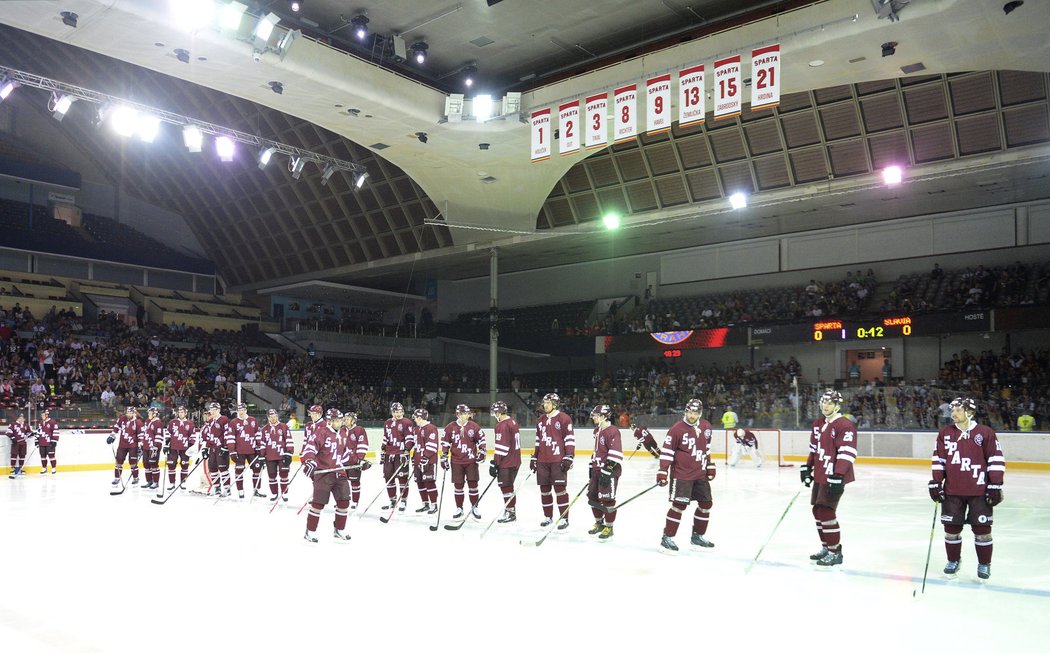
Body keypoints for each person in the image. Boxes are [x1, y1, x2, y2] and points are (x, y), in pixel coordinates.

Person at [929, 397, 1005, 580]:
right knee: (951, 529)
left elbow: (996, 459)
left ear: (969, 412)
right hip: (952, 491)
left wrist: (995, 484)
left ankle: (984, 564)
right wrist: (936, 482)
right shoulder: (945, 433)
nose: (953, 414)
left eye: (957, 410)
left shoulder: (985, 433)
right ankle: (953, 560)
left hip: (979, 491)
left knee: (982, 530)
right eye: (952, 410)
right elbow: (938, 460)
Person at [800, 389, 857, 567]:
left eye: (829, 403)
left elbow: (847, 453)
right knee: (817, 511)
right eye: (823, 402)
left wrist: (838, 475)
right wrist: (807, 467)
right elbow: (814, 450)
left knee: (826, 511)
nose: (825, 406)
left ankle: (835, 551)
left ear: (837, 405)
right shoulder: (818, 424)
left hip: (833, 475)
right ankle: (826, 547)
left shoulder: (844, 425)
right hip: (820, 474)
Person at [656, 398, 716, 552]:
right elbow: (667, 451)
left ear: (700, 413)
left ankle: (697, 537)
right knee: (679, 506)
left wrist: (709, 465)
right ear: (685, 411)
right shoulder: (677, 429)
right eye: (689, 412)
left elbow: (706, 449)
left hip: (700, 474)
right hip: (682, 475)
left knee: (706, 504)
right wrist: (663, 471)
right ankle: (667, 538)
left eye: (695, 413)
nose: (691, 415)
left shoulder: (706, 427)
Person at [302, 408, 352, 542]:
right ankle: (310, 531)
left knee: (344, 501)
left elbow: (346, 454)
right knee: (318, 503)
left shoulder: (343, 433)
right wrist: (310, 461)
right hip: (324, 473)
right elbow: (310, 448)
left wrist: (359, 462)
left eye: (340, 420)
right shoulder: (321, 432)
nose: (339, 423)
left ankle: (339, 529)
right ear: (329, 421)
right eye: (336, 420)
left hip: (339, 472)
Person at [531, 392, 575, 529]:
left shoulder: (564, 418)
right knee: (544, 490)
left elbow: (569, 439)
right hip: (543, 461)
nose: (545, 405)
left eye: (548, 403)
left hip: (558, 460)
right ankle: (548, 517)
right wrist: (534, 457)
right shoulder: (540, 421)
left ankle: (564, 518)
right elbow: (538, 440)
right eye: (544, 403)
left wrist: (569, 456)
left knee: (560, 490)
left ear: (555, 404)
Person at [441, 404, 486, 519]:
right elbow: (445, 442)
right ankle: (459, 508)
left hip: (471, 460)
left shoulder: (474, 427)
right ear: (457, 414)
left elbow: (481, 440)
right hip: (456, 461)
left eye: (466, 413)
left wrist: (482, 451)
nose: (465, 415)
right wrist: (444, 455)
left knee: (473, 484)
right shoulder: (450, 427)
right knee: (458, 485)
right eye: (463, 413)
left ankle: (474, 507)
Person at [586, 405, 623, 541]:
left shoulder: (613, 431)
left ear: (603, 416)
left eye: (596, 415)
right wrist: (592, 467)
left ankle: (609, 527)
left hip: (609, 471)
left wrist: (607, 471)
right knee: (592, 497)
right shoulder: (598, 431)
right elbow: (597, 451)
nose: (594, 418)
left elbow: (615, 453)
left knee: (607, 499)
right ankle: (599, 523)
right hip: (597, 469)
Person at [489, 401, 522, 524]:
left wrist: (495, 463)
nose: (494, 415)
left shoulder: (502, 425)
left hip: (507, 462)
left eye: (495, 412)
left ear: (499, 412)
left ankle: (510, 512)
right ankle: (510, 510)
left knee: (506, 488)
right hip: (515, 460)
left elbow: (502, 447)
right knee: (509, 487)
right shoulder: (512, 422)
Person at [381, 402, 414, 512]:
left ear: (403, 411)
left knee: (402, 478)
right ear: (392, 412)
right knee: (388, 478)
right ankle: (392, 500)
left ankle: (403, 500)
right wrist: (383, 449)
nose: (398, 414)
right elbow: (385, 437)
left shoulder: (407, 422)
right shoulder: (387, 423)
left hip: (401, 454)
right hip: (389, 454)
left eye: (400, 411)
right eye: (396, 411)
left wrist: (406, 451)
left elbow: (410, 438)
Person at [226, 403, 263, 499]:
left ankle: (256, 490)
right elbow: (230, 437)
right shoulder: (233, 422)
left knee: (257, 470)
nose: (241, 412)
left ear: (246, 410)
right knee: (239, 471)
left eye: (243, 410)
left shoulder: (253, 420)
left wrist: (259, 447)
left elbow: (258, 434)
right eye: (239, 410)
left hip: (252, 451)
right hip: (239, 452)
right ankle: (240, 491)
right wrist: (232, 451)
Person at [260, 408, 293, 502]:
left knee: (284, 475)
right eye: (271, 417)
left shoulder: (283, 426)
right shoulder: (264, 429)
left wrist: (289, 453)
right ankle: (274, 493)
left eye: (274, 416)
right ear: (268, 417)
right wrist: (262, 456)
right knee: (272, 475)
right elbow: (262, 443)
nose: (273, 418)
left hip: (282, 455)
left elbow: (289, 440)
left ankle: (284, 493)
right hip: (270, 456)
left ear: (277, 416)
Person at [411, 408, 440, 514]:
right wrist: (414, 457)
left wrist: (426, 457)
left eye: (415, 418)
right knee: (420, 483)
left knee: (429, 483)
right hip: (418, 460)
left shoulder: (431, 428)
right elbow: (415, 445)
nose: (414, 420)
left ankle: (434, 505)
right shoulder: (416, 429)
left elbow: (432, 445)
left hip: (429, 462)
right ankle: (425, 504)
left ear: (419, 417)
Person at [106, 406, 144, 486]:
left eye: (130, 413)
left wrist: (140, 446)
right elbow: (116, 427)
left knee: (133, 463)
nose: (128, 414)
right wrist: (112, 436)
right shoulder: (123, 418)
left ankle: (135, 478)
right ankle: (117, 478)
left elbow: (141, 435)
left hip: (133, 446)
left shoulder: (138, 422)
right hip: (122, 445)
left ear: (134, 413)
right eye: (127, 412)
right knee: (118, 461)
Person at [199, 402, 231, 496]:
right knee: (212, 468)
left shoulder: (224, 419)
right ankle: (217, 487)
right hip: (212, 448)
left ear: (218, 410)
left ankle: (227, 488)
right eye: (211, 410)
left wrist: (225, 447)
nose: (211, 412)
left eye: (213, 410)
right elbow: (207, 436)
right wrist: (205, 448)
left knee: (223, 468)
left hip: (221, 448)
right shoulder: (210, 421)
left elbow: (227, 433)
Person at [340, 411, 371, 509]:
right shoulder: (341, 430)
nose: (345, 420)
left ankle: (355, 501)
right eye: (344, 419)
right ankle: (343, 500)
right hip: (342, 461)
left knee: (354, 482)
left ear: (353, 420)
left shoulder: (359, 430)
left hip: (354, 461)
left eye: (348, 419)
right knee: (341, 482)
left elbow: (363, 444)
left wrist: (360, 459)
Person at [164, 404, 196, 490]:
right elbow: (168, 434)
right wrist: (166, 445)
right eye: (179, 412)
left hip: (185, 448)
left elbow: (193, 436)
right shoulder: (172, 422)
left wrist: (190, 446)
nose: (180, 413)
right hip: (173, 447)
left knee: (184, 465)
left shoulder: (190, 423)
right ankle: (172, 483)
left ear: (185, 413)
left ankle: (183, 482)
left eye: (182, 412)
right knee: (171, 465)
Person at [140, 406, 164, 490]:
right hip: (146, 446)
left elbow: (159, 436)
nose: (148, 414)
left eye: (150, 413)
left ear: (155, 414)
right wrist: (142, 444)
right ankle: (149, 481)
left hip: (154, 447)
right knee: (146, 463)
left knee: (153, 464)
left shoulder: (158, 423)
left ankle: (156, 482)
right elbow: (144, 433)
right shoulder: (147, 421)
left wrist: (156, 446)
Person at [6, 413, 31, 478]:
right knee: (14, 455)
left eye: (22, 417)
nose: (21, 419)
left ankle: (21, 468)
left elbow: (29, 432)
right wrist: (12, 438)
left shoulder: (26, 425)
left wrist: (29, 434)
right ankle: (13, 468)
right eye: (20, 417)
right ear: (18, 418)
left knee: (22, 455)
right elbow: (8, 432)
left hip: (23, 443)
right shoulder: (13, 424)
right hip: (16, 443)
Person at [37, 409, 59, 474]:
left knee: (51, 455)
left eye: (43, 415)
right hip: (42, 442)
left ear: (47, 415)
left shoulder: (52, 422)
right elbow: (39, 432)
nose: (42, 416)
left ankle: (53, 468)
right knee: (42, 456)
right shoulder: (41, 423)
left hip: (49, 442)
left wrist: (54, 440)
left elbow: (56, 431)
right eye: (41, 415)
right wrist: (37, 440)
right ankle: (44, 468)